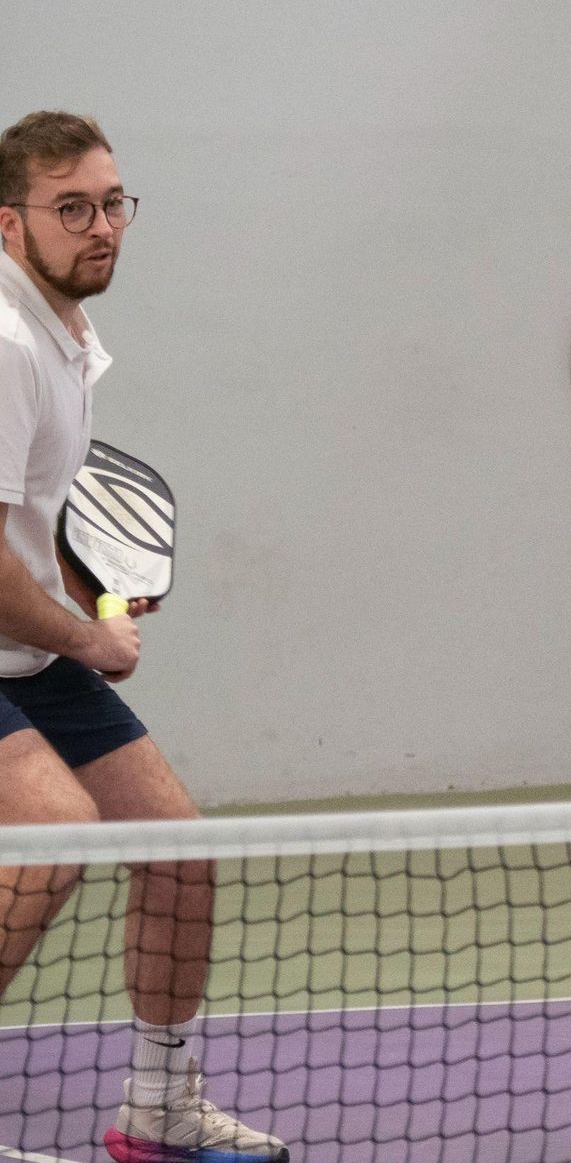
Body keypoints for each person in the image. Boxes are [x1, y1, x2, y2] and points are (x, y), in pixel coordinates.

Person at [0, 111, 288, 1162]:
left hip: (30, 652)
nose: (100, 227)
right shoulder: (4, 339)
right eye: (69, 208)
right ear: (7, 222)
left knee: (177, 849)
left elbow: (44, 517)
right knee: (49, 837)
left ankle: (160, 1103)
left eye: (112, 202)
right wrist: (92, 639)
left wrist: (98, 593)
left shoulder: (65, 331)